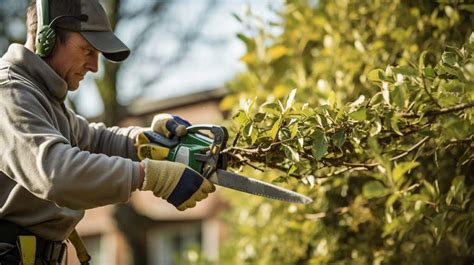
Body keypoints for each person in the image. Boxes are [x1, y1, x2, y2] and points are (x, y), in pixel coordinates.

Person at [0, 0, 215, 264]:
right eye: (88, 50)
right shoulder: (9, 92)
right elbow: (56, 172)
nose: (94, 67)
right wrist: (149, 176)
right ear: (47, 37)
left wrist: (142, 140)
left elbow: (93, 139)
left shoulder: (43, 97)